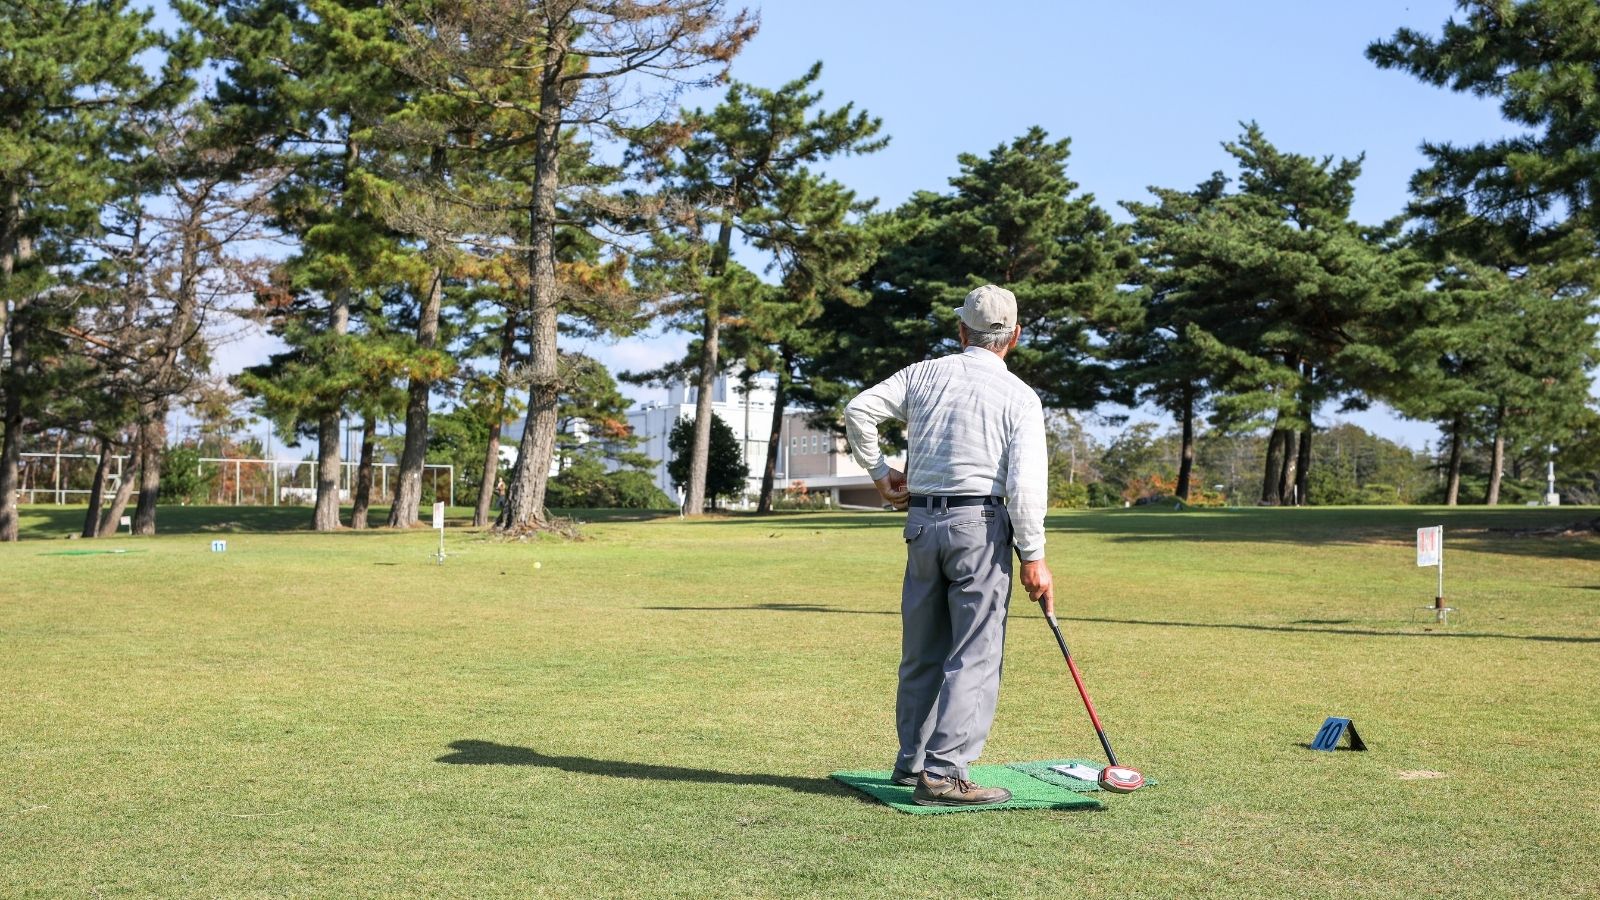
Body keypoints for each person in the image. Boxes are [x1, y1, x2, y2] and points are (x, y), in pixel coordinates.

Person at [843, 284, 1054, 807]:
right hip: (979, 528)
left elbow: (859, 409)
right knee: (975, 653)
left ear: (961, 330)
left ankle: (912, 760)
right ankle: (942, 774)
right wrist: (1034, 556)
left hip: (921, 524)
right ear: (1015, 337)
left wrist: (878, 473)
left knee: (923, 649)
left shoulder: (923, 374)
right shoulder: (1021, 397)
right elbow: (1026, 487)